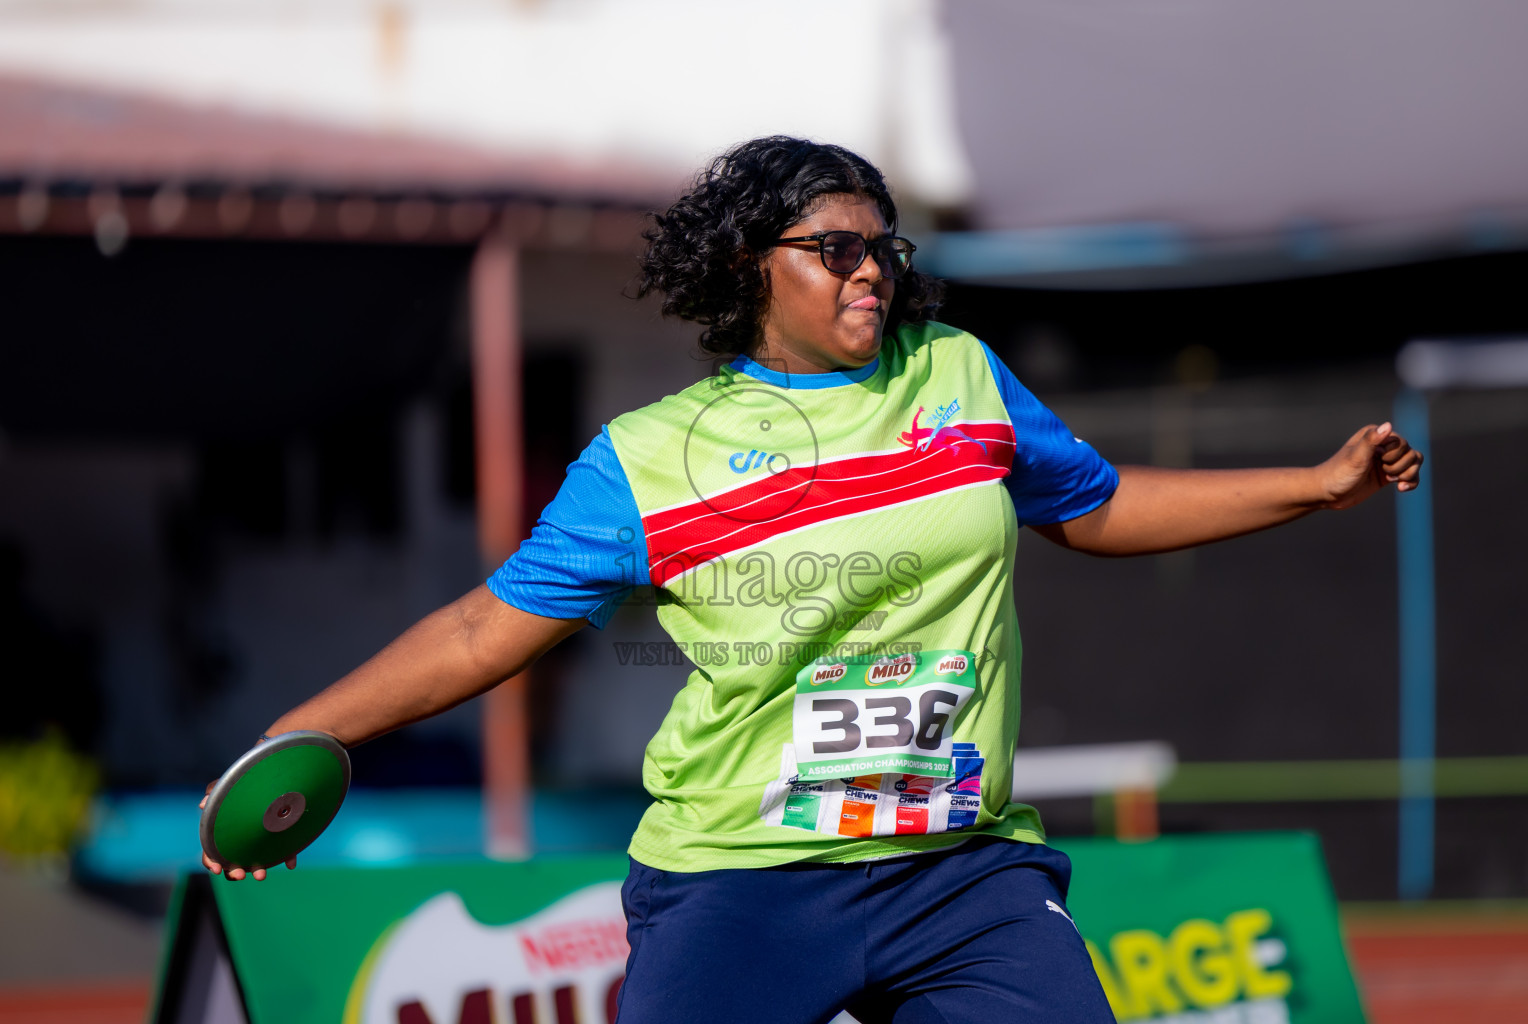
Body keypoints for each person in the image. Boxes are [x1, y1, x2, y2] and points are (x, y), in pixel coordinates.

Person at [202, 136, 1422, 1023]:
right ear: (750, 266)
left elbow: (1093, 504)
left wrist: (1314, 486)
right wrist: (301, 737)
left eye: (882, 247)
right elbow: (481, 631)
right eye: (834, 248)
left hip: (961, 869)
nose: (870, 271)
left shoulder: (957, 375)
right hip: (742, 880)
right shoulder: (648, 457)